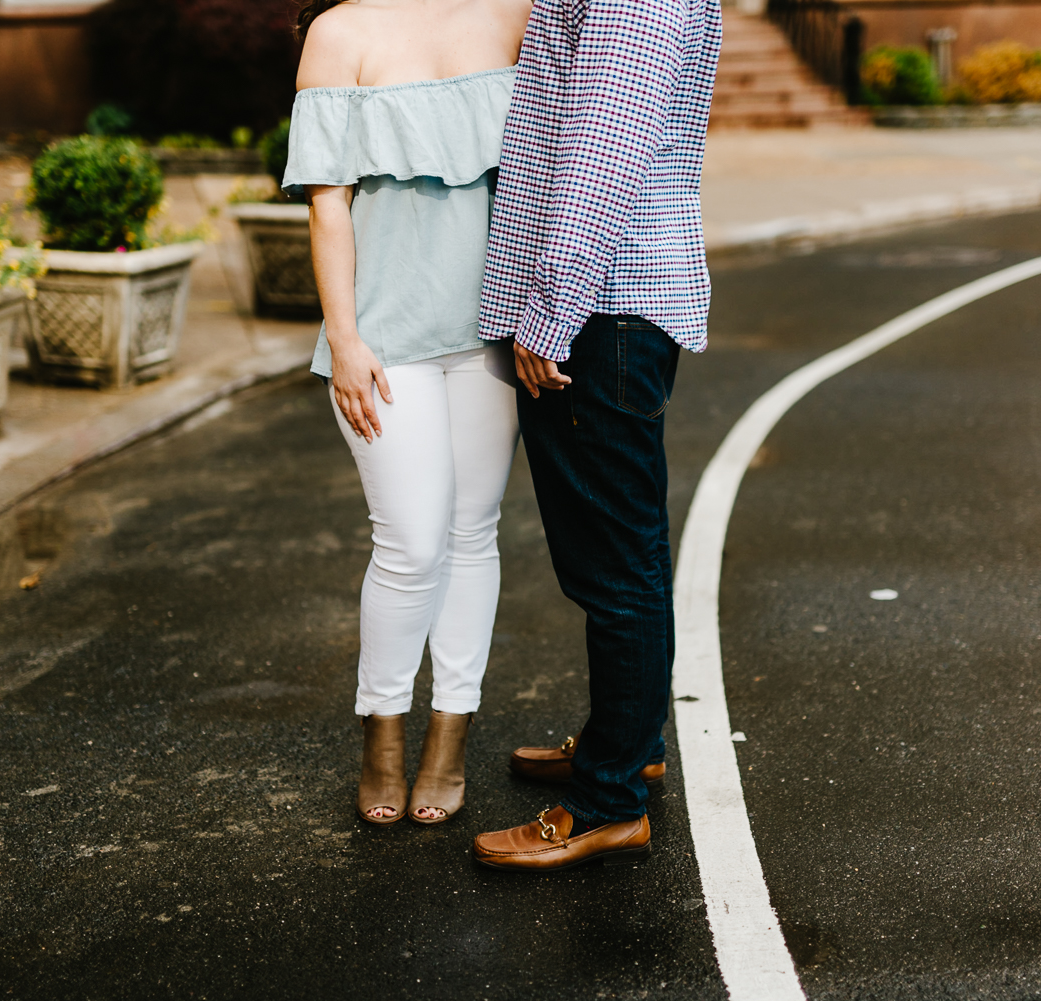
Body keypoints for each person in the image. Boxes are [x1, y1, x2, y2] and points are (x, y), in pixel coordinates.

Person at [469, 0, 722, 871]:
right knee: (622, 556)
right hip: (606, 306)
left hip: (600, 311)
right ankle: (628, 743)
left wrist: (550, 308)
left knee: (616, 568)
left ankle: (609, 800)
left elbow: (606, 142)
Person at [285, 0, 533, 826]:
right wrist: (345, 337)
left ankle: (449, 735)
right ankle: (382, 735)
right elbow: (329, 206)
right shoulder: (339, 33)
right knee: (409, 542)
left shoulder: (515, 14)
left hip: (492, 330)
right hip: (385, 340)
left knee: (471, 534)